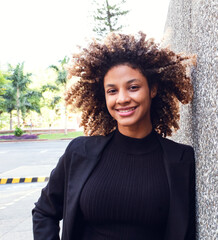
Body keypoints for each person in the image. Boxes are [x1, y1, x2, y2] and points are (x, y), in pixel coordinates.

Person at [32, 32, 196, 240]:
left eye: (133, 87)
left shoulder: (181, 159)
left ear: (152, 89)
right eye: (112, 91)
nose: (122, 99)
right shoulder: (80, 152)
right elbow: (44, 212)